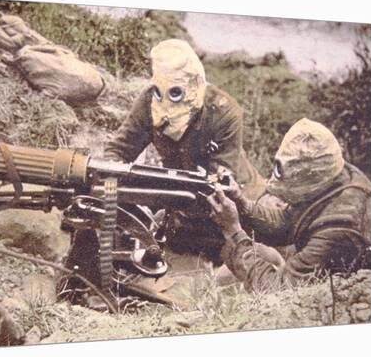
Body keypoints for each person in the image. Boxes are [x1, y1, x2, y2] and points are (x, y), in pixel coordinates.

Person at [104, 39, 264, 263]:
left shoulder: (223, 113)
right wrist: (119, 186)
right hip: (180, 202)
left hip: (236, 200)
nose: (167, 101)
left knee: (244, 256)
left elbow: (221, 184)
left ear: (194, 83)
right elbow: (118, 150)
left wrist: (159, 196)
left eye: (176, 92)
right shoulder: (149, 102)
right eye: (161, 92)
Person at [206, 118, 371, 292]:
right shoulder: (332, 174)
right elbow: (287, 222)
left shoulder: (340, 228)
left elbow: (278, 289)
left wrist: (234, 233)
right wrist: (241, 203)